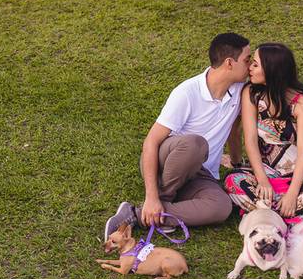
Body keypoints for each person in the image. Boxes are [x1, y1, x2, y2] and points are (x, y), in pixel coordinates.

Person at [104, 33, 251, 241]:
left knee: (222, 207)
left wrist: (236, 163)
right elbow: (151, 142)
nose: (250, 65)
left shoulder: (240, 91)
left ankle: (138, 214)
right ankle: (157, 201)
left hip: (200, 174)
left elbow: (234, 131)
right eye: (247, 59)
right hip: (169, 163)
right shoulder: (187, 92)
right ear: (229, 63)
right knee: (196, 144)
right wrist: (152, 196)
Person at [224, 43, 303, 223]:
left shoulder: (302, 103)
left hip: (300, 174)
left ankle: (267, 211)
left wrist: (293, 193)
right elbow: (250, 140)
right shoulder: (251, 93)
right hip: (264, 169)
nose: (250, 68)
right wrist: (262, 180)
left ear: (272, 71)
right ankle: (291, 214)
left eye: (255, 65)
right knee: (233, 180)